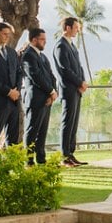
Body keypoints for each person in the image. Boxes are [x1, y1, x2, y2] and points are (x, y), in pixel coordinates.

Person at [54, 17, 88, 167]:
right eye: (75, 27)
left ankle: (71, 153)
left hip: (77, 89)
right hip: (68, 90)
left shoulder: (72, 46)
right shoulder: (60, 46)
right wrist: (79, 82)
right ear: (67, 28)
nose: (77, 30)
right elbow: (64, 70)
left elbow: (79, 67)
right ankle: (64, 156)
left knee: (74, 123)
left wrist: (83, 82)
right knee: (67, 122)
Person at [21, 28, 58, 165]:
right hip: (35, 100)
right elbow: (36, 76)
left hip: (47, 100)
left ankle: (41, 159)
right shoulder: (28, 55)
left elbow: (51, 75)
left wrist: (54, 92)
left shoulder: (43, 56)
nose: (45, 42)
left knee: (42, 132)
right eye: (42, 39)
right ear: (34, 39)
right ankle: (28, 160)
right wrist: (50, 91)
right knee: (32, 131)